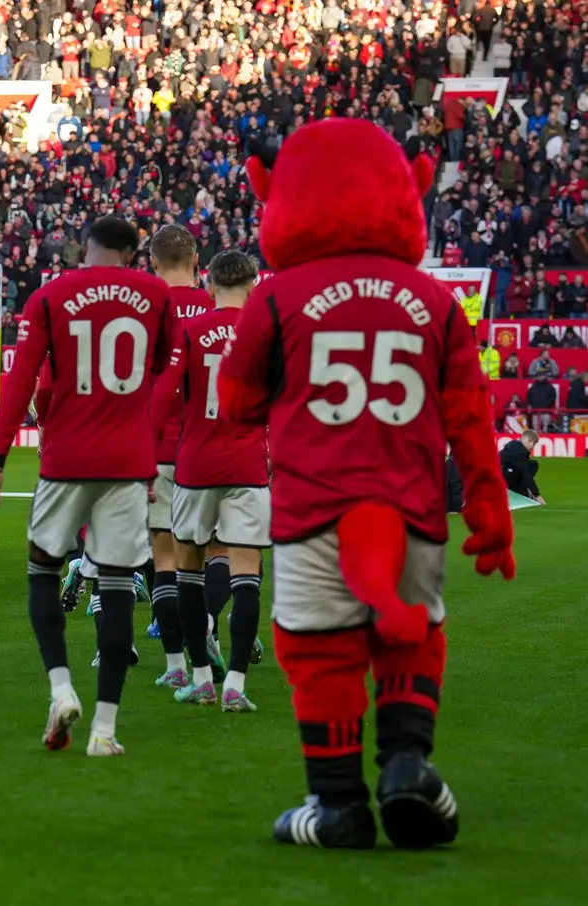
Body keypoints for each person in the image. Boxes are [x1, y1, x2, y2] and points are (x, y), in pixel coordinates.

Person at [219, 121, 513, 850]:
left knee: (321, 654)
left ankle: (337, 803)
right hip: (410, 506)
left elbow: (238, 403)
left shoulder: (276, 297)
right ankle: (408, 768)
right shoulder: (437, 301)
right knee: (409, 642)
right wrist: (487, 502)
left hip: (310, 509)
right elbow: (470, 417)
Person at [0, 215, 175, 757]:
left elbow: (20, 381)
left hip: (66, 456)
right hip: (129, 461)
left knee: (43, 567)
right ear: (135, 253)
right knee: (116, 586)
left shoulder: (51, 295)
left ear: (83, 248)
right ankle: (105, 731)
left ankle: (61, 688)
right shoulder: (156, 295)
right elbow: (160, 373)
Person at [153, 250, 269, 712]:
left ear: (210, 285)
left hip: (196, 465)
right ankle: (236, 685)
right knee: (247, 576)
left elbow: (164, 394)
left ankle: (200, 676)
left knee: (187, 571)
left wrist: (145, 454)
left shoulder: (191, 331)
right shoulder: (268, 336)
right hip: (248, 467)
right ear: (254, 285)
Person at [143, 223, 219, 666]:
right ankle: (209, 624)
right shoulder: (215, 307)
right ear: (196, 262)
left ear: (152, 262)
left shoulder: (145, 311)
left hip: (158, 451)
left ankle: (176, 664)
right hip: (210, 448)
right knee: (216, 555)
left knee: (165, 555)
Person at [500, 429, 543, 503]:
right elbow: (526, 474)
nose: (533, 447)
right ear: (529, 440)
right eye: (534, 443)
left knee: (532, 464)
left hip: (501, 473)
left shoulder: (514, 445)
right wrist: (537, 495)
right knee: (525, 470)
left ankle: (521, 492)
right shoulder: (519, 452)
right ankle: (521, 494)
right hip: (503, 476)